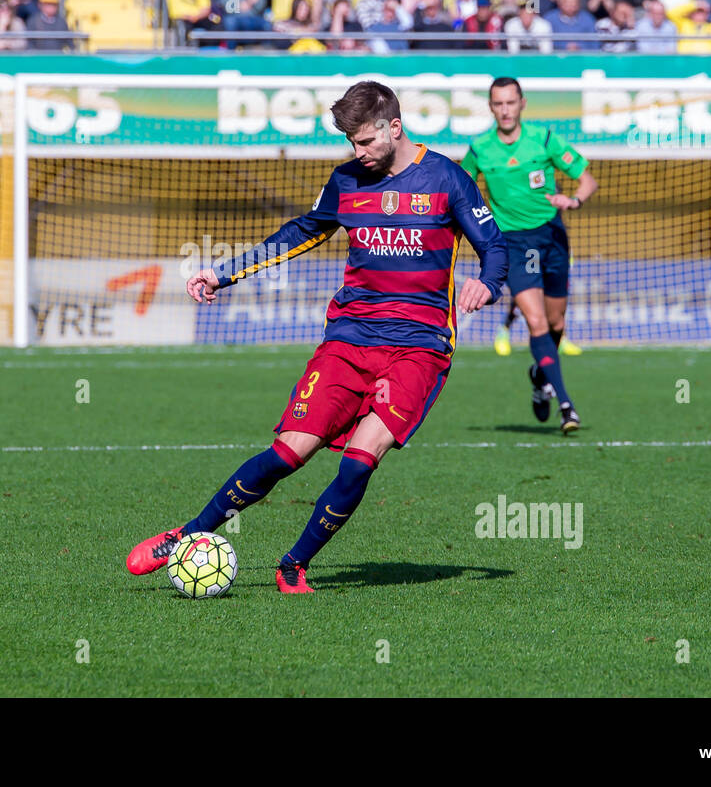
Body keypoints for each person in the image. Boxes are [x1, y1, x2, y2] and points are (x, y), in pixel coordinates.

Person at [126, 81, 508, 593]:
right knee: (288, 453)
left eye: (367, 141)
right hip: (349, 340)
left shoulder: (448, 179)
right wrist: (226, 273)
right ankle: (188, 535)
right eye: (351, 143)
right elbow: (302, 232)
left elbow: (495, 247)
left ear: (395, 128)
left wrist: (487, 281)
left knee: (360, 461)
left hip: (420, 347)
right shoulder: (347, 180)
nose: (359, 153)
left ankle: (294, 564)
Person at [460, 78, 598, 434]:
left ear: (522, 103)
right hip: (513, 244)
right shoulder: (480, 149)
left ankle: (540, 375)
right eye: (498, 104)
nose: (505, 110)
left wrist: (575, 199)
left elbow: (587, 179)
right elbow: (458, 190)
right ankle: (566, 405)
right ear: (491, 107)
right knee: (536, 322)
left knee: (555, 324)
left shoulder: (545, 139)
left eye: (510, 102)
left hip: (552, 236)